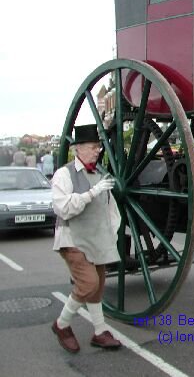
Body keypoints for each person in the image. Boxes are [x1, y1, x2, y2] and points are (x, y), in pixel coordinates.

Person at [51, 124, 122, 353]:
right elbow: (63, 209)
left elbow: (111, 209)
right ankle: (62, 325)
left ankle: (99, 331)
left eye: (98, 147)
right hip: (72, 238)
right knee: (88, 283)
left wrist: (111, 232)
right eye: (93, 147)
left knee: (98, 287)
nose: (97, 151)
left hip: (95, 239)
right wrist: (92, 192)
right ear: (78, 149)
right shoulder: (64, 175)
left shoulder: (99, 174)